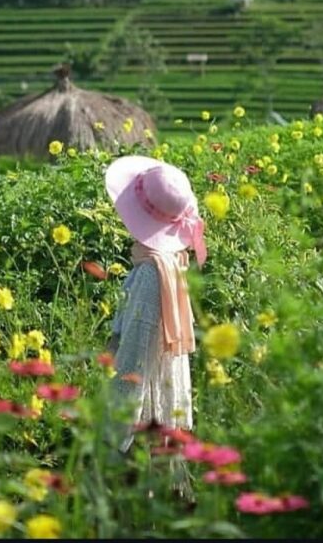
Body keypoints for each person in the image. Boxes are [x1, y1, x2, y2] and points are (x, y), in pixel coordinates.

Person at [104, 155, 207, 455]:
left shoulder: (152, 275)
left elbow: (136, 355)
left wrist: (113, 432)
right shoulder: (171, 262)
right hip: (159, 411)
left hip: (142, 425)